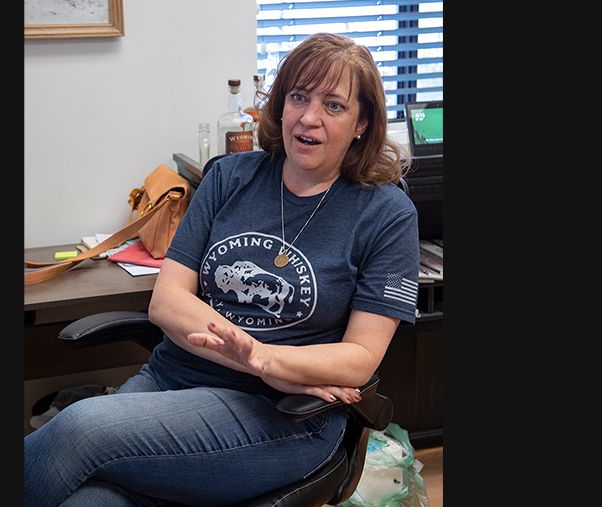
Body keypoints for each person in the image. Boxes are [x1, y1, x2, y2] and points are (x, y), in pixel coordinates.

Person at [24, 32, 419, 507]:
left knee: (80, 427)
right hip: (170, 383)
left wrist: (267, 364)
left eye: (334, 105)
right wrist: (252, 354)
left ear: (362, 123)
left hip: (284, 415)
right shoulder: (230, 177)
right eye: (298, 97)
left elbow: (359, 359)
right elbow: (167, 302)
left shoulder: (387, 214)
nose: (309, 118)